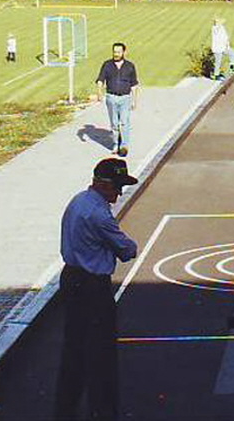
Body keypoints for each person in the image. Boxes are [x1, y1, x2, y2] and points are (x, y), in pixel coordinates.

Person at [54, 157, 139, 421]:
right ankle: (103, 411)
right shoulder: (99, 215)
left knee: (73, 348)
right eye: (117, 186)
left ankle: (65, 408)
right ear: (103, 184)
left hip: (71, 278)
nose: (119, 193)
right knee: (101, 352)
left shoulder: (78, 201)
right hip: (93, 285)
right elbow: (126, 250)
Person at [96, 43, 139, 158]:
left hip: (125, 98)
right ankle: (116, 144)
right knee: (114, 123)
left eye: (119, 52)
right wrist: (99, 93)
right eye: (114, 52)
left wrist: (134, 100)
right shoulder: (107, 65)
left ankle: (124, 146)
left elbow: (134, 84)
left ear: (124, 52)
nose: (116, 54)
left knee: (124, 122)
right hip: (111, 97)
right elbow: (100, 80)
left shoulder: (130, 66)